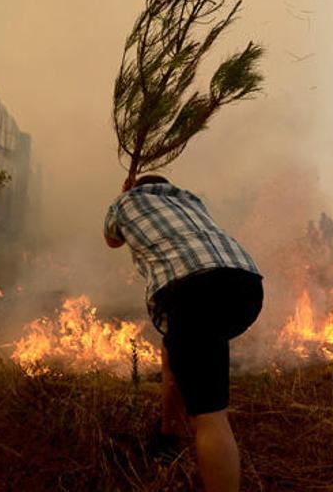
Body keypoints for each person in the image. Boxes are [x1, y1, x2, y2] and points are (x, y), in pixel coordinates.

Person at [104, 174, 263, 492]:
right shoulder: (191, 200)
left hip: (194, 289)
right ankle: (169, 433)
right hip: (245, 283)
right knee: (174, 347)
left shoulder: (124, 203)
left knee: (209, 416)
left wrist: (124, 197)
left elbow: (113, 240)